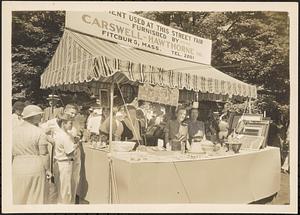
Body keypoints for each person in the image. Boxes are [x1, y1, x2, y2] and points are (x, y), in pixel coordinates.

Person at [40, 103, 80, 203]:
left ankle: (70, 203)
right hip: (62, 156)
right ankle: (63, 204)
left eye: (75, 114)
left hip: (73, 156)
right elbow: (40, 130)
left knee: (73, 182)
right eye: (71, 113)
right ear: (65, 111)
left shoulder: (73, 123)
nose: (73, 115)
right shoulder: (53, 122)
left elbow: (75, 134)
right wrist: (49, 139)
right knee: (63, 186)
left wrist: (76, 138)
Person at [12, 105, 50, 204]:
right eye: (40, 115)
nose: (41, 117)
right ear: (34, 116)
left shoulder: (13, 131)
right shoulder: (39, 132)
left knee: (18, 197)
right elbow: (44, 153)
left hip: (17, 166)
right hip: (35, 166)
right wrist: (48, 169)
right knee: (35, 198)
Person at [53, 113, 79, 204]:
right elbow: (70, 152)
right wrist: (76, 145)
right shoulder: (64, 136)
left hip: (60, 163)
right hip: (65, 163)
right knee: (65, 191)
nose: (72, 125)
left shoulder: (61, 133)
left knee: (61, 189)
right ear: (63, 124)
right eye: (70, 123)